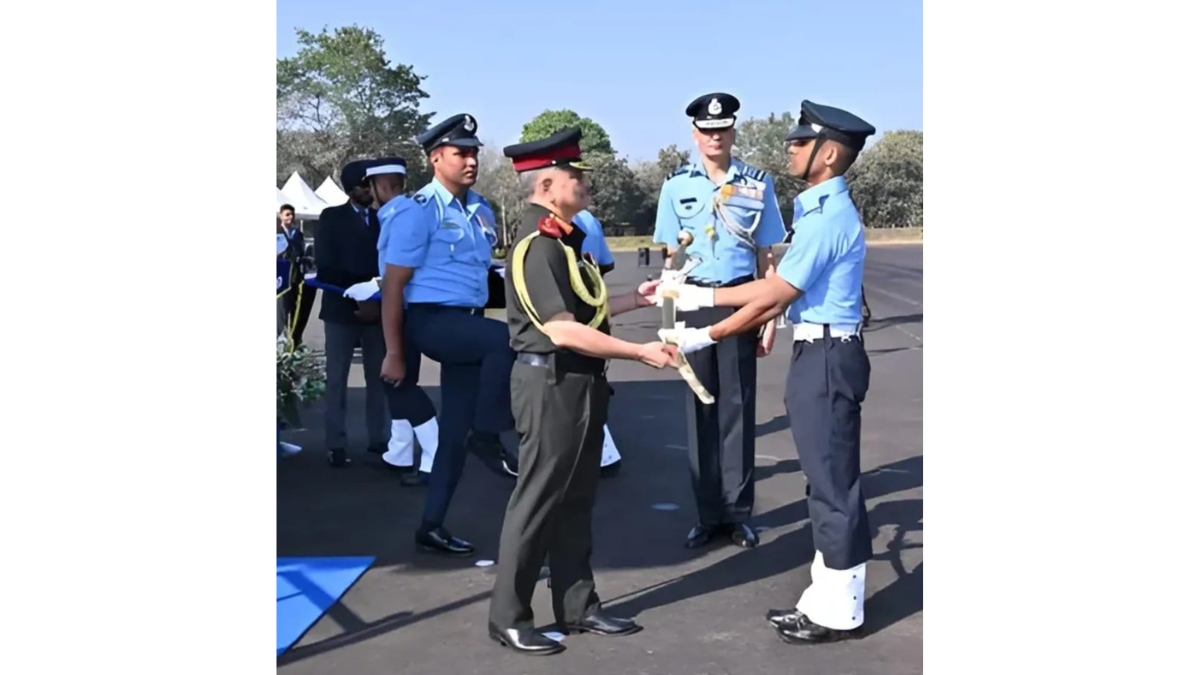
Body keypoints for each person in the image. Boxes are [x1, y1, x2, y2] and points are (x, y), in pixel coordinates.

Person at [656, 100, 877, 644]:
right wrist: (691, 300)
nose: (791, 149)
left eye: (801, 143)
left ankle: (841, 609)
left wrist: (705, 322)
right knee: (823, 480)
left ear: (827, 153)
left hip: (827, 354)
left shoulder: (829, 217)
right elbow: (769, 291)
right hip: (818, 351)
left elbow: (773, 290)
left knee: (832, 485)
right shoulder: (820, 210)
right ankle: (824, 598)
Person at [487, 127, 675, 656]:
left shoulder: (564, 240)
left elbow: (587, 311)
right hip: (550, 379)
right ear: (547, 184)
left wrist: (635, 301)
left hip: (578, 380)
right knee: (538, 500)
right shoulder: (537, 246)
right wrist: (640, 353)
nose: (585, 183)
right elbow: (561, 329)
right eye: (576, 176)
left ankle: (577, 606)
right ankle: (509, 616)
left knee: (575, 500)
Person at [652, 92, 786, 550]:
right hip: (691, 301)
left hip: (742, 301)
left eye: (722, 129)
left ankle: (737, 512)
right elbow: (670, 259)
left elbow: (767, 254)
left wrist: (772, 318)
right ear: (695, 135)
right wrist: (669, 320)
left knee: (738, 409)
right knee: (700, 408)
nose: (714, 137)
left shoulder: (758, 184)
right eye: (706, 131)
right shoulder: (675, 187)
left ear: (732, 132)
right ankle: (707, 513)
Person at [380, 113, 515, 557]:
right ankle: (490, 431)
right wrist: (395, 353)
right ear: (436, 158)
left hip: (466, 322)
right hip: (431, 320)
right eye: (461, 153)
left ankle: (431, 524)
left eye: (474, 152)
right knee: (503, 340)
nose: (471, 160)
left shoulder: (480, 209)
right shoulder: (416, 211)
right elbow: (394, 286)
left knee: (452, 435)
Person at [362, 157, 441, 487]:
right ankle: (400, 452)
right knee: (394, 384)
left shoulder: (404, 215)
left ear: (379, 187)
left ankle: (438, 454)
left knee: (400, 383)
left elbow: (397, 279)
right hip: (403, 304)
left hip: (405, 308)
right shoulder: (398, 214)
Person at [314, 160, 392, 467]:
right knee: (336, 380)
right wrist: (360, 299)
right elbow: (327, 266)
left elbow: (390, 264)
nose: (368, 191)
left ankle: (379, 440)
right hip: (340, 310)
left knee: (379, 379)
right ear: (350, 189)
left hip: (378, 312)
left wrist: (377, 301)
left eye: (370, 184)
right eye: (362, 185)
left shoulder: (383, 219)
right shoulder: (330, 217)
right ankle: (335, 443)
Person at [278, 204, 316, 344]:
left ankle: (294, 337)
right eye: (287, 214)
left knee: (295, 307)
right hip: (281, 276)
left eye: (292, 214)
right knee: (282, 307)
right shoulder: (277, 232)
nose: (290, 217)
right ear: (281, 216)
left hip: (296, 275)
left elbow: (301, 251)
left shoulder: (298, 234)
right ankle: (281, 338)